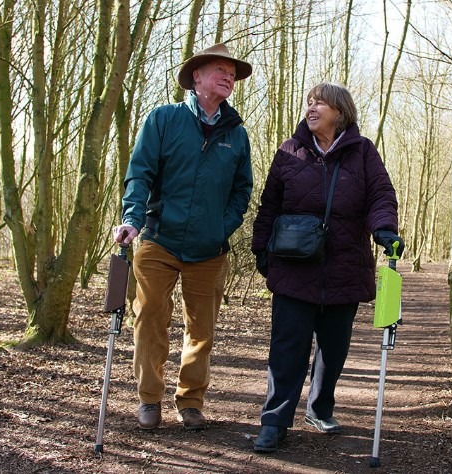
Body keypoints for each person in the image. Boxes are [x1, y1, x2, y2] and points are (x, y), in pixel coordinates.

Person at [251, 82, 404, 452]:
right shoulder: (289, 151)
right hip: (293, 265)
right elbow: (269, 205)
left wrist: (384, 228)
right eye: (309, 102)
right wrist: (262, 249)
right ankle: (274, 419)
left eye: (320, 102)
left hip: (344, 266)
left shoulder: (363, 152)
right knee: (288, 347)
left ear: (341, 111)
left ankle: (320, 408)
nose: (312, 107)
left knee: (334, 348)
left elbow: (381, 194)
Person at [113, 43, 253, 431]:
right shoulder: (163, 119)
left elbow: (243, 189)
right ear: (197, 77)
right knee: (150, 319)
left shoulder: (237, 135)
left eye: (232, 73)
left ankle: (190, 402)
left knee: (202, 330)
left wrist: (222, 227)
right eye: (220, 70)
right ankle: (149, 399)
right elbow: (139, 174)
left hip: (209, 250)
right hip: (159, 240)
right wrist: (132, 219)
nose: (228, 77)